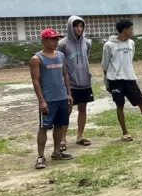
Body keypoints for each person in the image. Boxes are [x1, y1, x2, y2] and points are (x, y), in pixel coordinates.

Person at [102, 19, 142, 141]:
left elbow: (130, 60)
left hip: (130, 79)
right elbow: (105, 65)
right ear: (124, 30)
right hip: (115, 80)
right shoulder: (109, 45)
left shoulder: (131, 43)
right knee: (120, 105)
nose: (132, 31)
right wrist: (107, 82)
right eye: (131, 29)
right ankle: (125, 133)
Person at [30, 28, 74, 169]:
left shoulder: (60, 55)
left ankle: (56, 152)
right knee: (44, 127)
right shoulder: (37, 59)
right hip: (48, 99)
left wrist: (69, 94)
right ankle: (40, 156)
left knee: (60, 125)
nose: (56, 41)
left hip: (62, 97)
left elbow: (65, 75)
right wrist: (41, 100)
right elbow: (36, 81)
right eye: (52, 39)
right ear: (44, 41)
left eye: (57, 38)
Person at [57, 16, 94, 149]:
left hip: (84, 82)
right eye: (76, 26)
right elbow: (59, 62)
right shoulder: (63, 44)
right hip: (70, 84)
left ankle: (80, 136)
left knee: (83, 109)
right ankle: (62, 139)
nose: (79, 29)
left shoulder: (87, 43)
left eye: (81, 26)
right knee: (67, 110)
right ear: (70, 27)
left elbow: (86, 57)